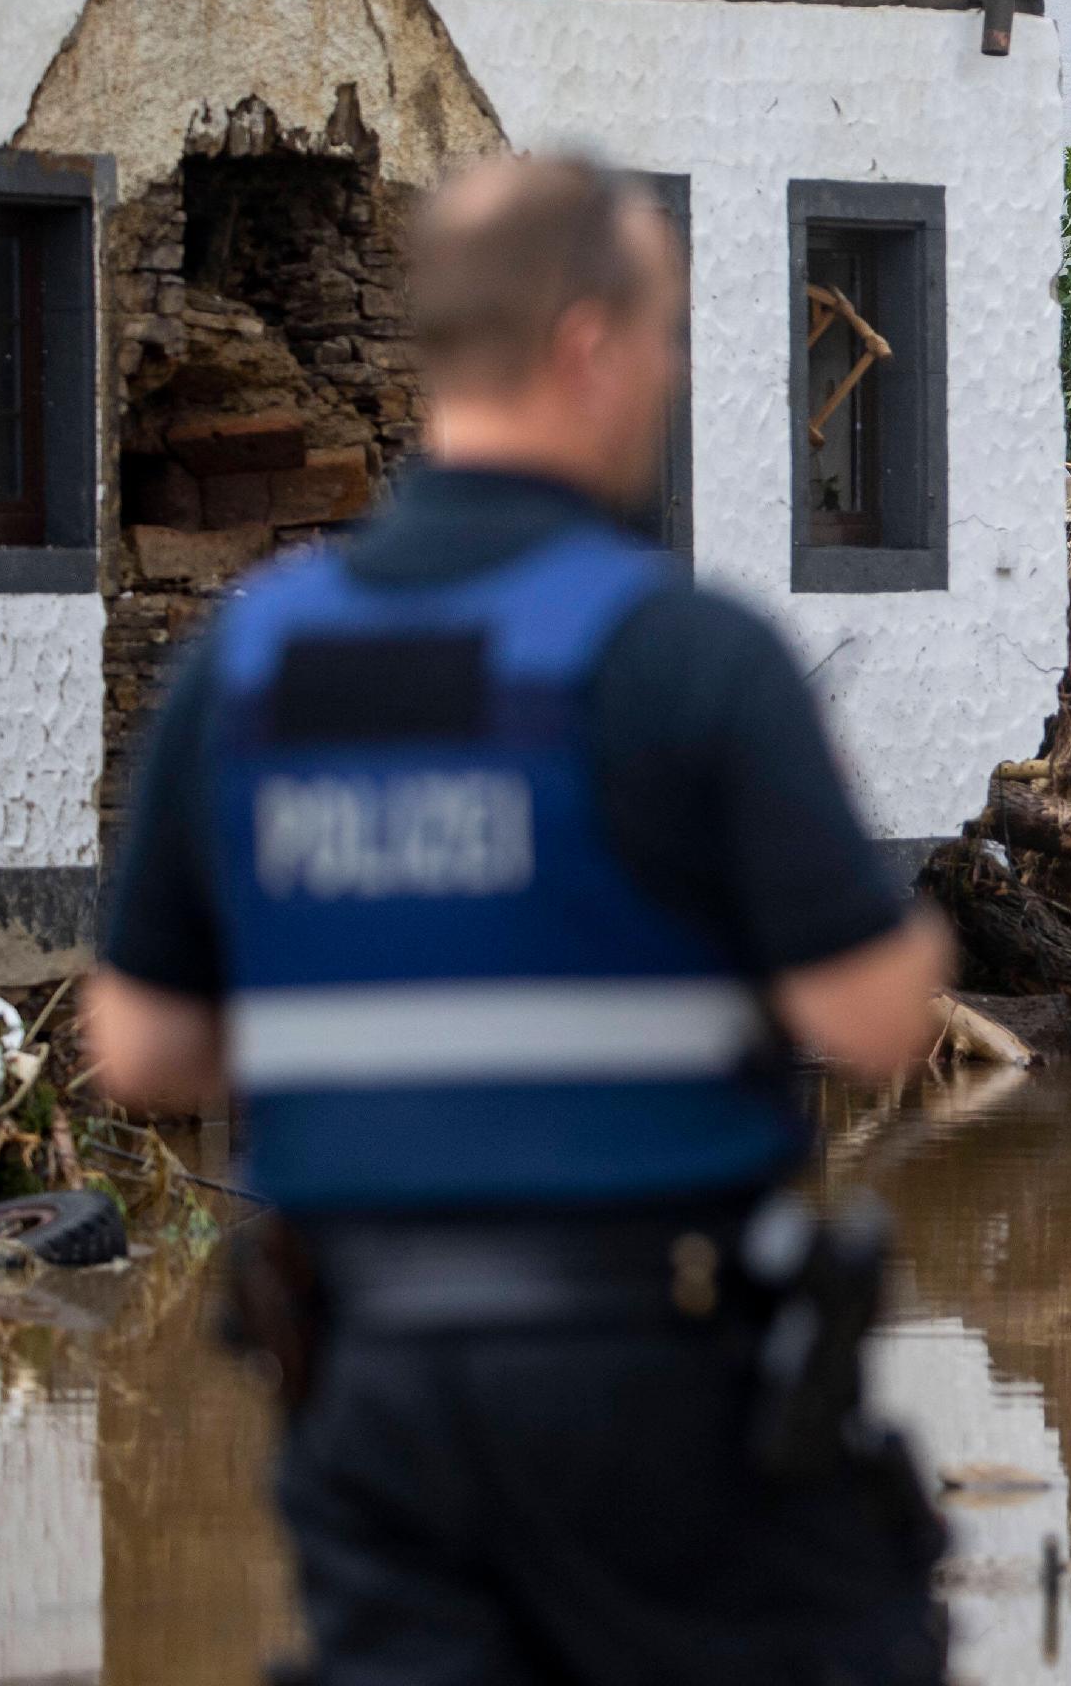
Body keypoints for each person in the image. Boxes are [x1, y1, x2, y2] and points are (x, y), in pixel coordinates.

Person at [87, 154, 954, 1686]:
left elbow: (141, 1049)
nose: (670, 379)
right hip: (659, 1399)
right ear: (586, 345)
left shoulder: (252, 666)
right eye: (668, 340)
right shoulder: (679, 656)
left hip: (368, 1397)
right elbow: (874, 1022)